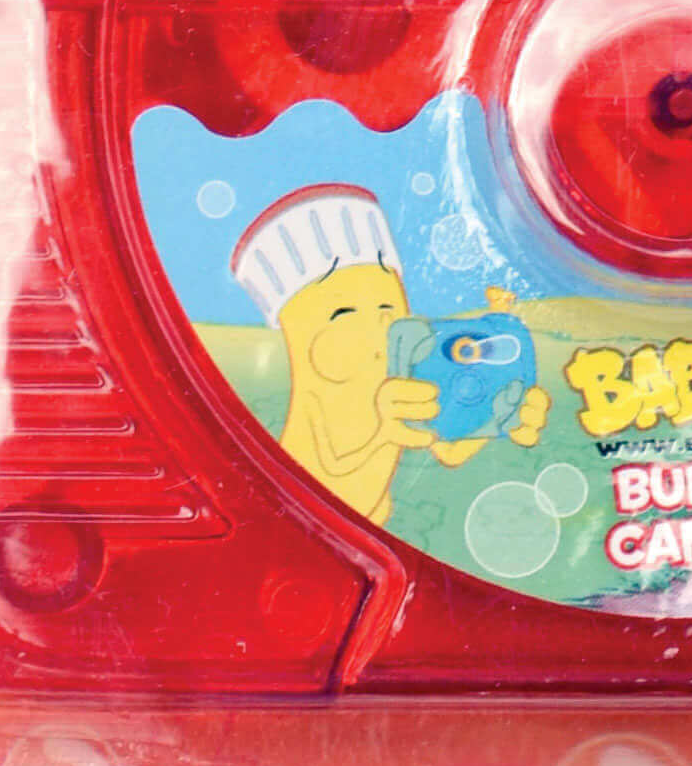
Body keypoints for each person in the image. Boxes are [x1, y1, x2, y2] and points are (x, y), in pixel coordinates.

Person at [230, 182, 545, 525]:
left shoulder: (407, 381)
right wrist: (382, 435)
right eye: (344, 313)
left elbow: (450, 451)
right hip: (308, 520)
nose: (382, 322)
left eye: (388, 307)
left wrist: (499, 417)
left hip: (373, 522)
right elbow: (330, 468)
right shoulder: (320, 410)